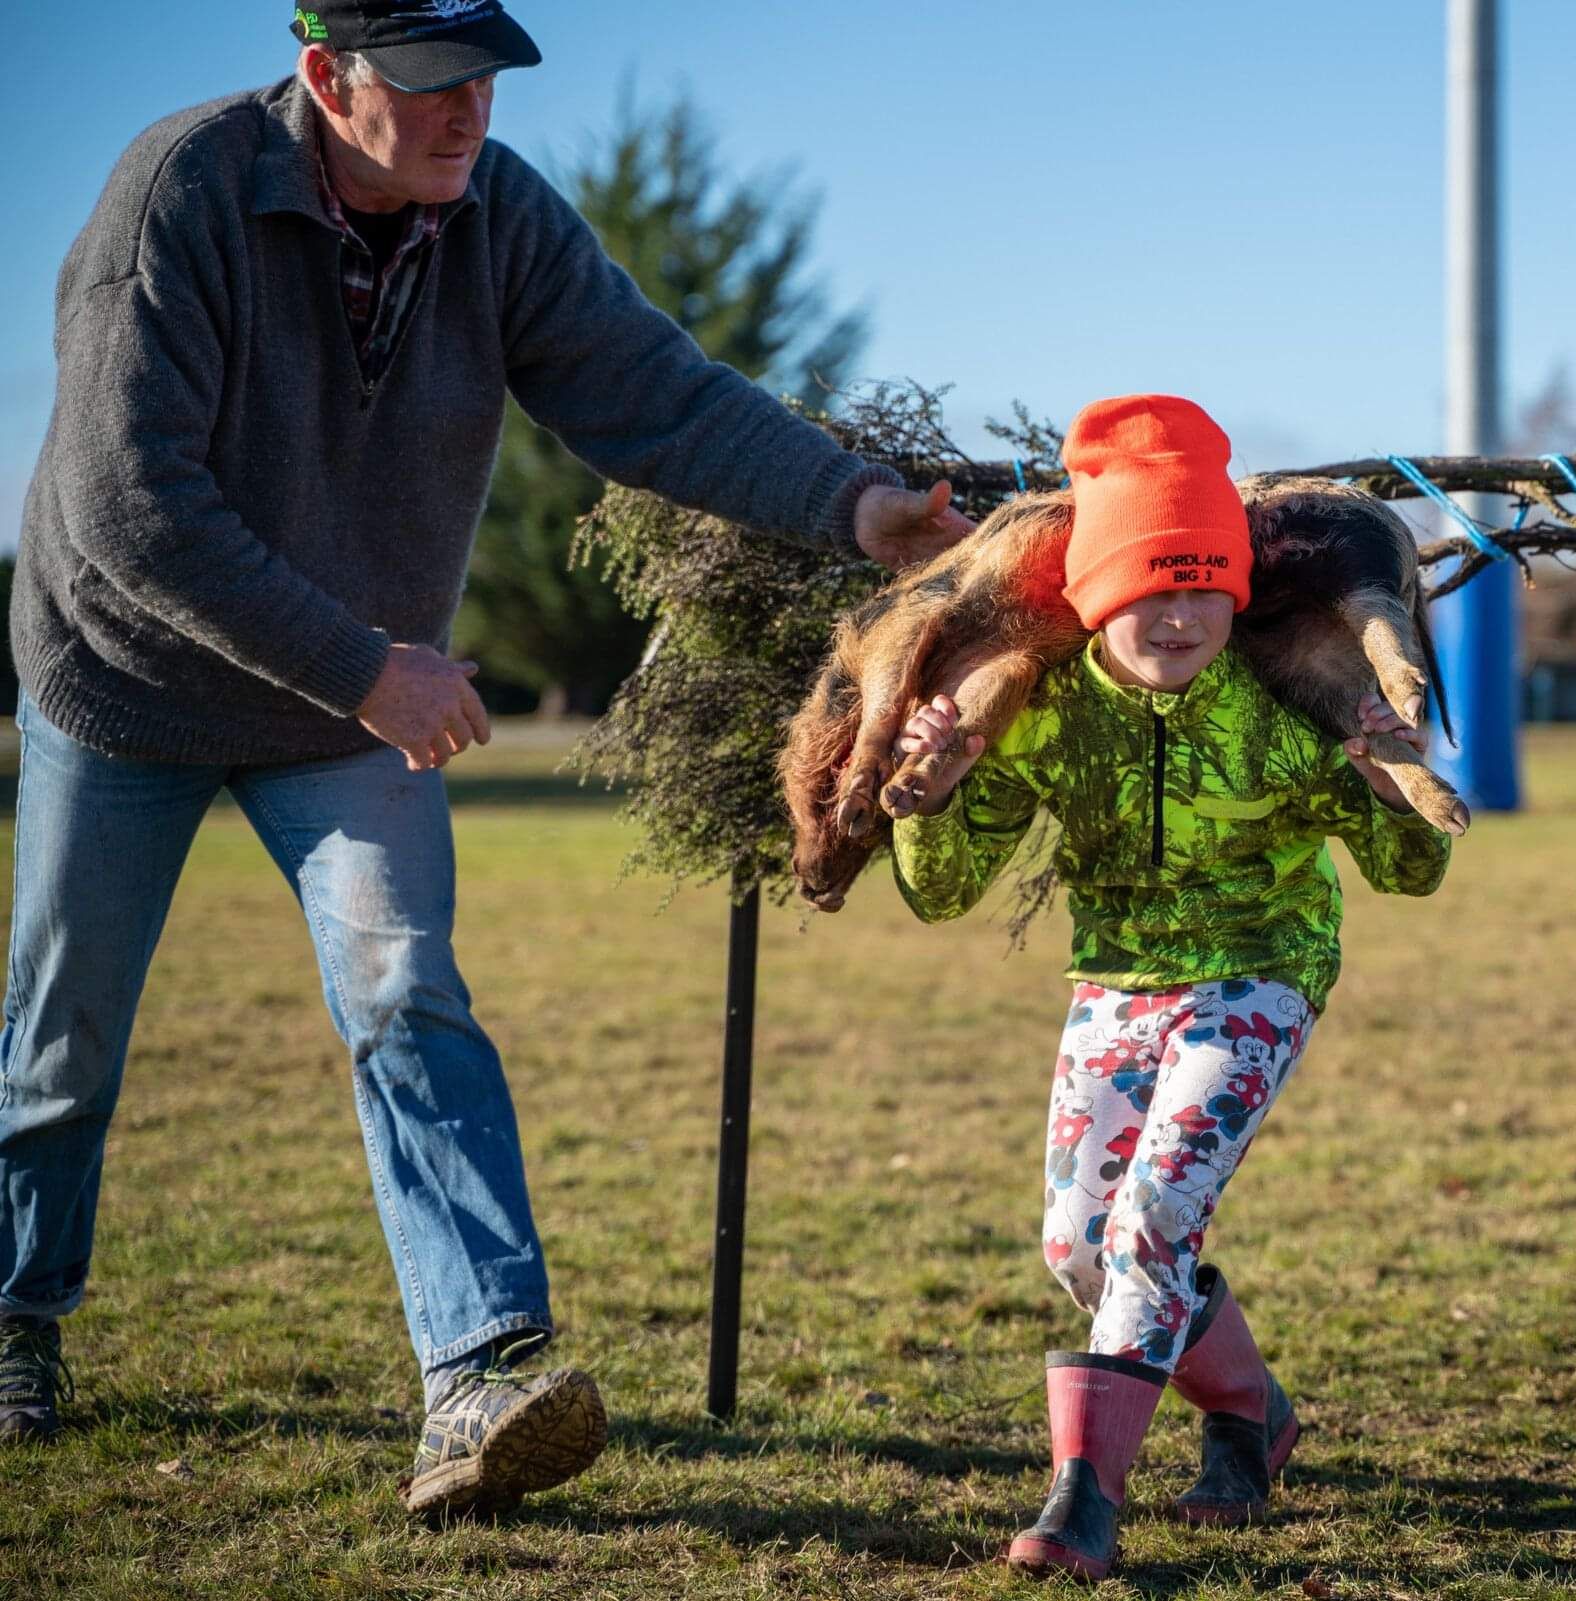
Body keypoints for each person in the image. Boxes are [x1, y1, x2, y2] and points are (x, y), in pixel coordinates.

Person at [0, 0, 969, 1519]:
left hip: (351, 705)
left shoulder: (496, 216)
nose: (469, 115)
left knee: (407, 991)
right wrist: (367, 665)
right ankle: (16, 1315)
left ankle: (479, 1379)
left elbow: (655, 393)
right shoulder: (177, 195)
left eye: (488, 81)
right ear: (327, 77)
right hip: (133, 677)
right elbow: (132, 508)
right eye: (431, 83)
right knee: (63, 1042)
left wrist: (854, 508)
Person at [887, 394, 1455, 1579]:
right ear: (1098, 591)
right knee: (1078, 1248)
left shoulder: (1283, 710)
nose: (1184, 613)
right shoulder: (1042, 716)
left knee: (1153, 1217)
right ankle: (1252, 1415)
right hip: (1116, 985)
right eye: (1155, 584)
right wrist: (929, 795)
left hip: (1260, 972)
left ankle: (1084, 1492)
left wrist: (1380, 773)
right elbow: (941, 891)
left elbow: (1413, 871)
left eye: (1207, 585)